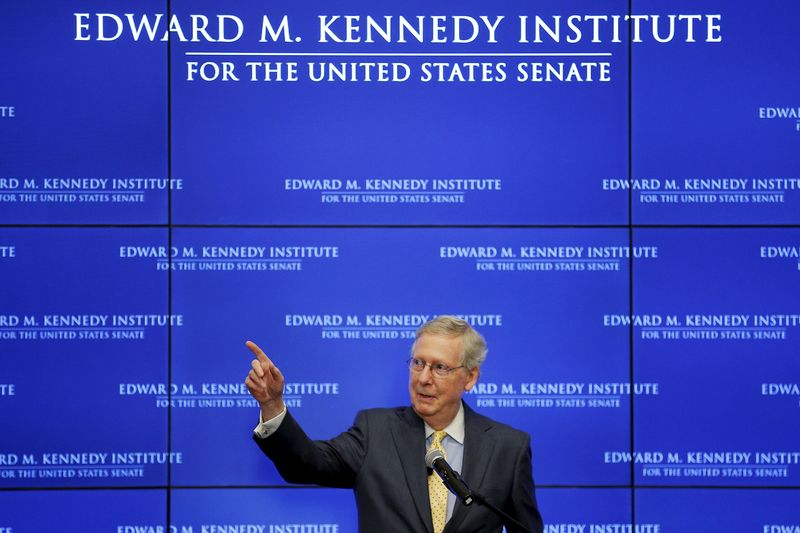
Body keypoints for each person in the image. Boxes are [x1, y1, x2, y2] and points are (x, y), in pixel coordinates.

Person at [245, 315, 544, 533]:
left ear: (470, 377)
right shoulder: (375, 431)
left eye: (440, 367)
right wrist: (271, 404)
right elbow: (306, 464)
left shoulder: (508, 447)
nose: (423, 378)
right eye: (418, 363)